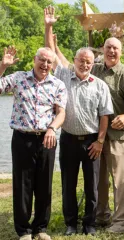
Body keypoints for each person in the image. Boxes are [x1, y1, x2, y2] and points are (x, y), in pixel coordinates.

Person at [47, 6, 124, 233]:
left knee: (120, 180)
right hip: (95, 135)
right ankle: (101, 217)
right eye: (108, 47)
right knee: (99, 182)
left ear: (121, 52)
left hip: (117, 134)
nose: (112, 51)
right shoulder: (94, 68)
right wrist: (55, 43)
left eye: (116, 48)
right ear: (103, 49)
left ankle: (120, 222)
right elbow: (65, 64)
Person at [44, 6, 114, 235]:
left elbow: (105, 115)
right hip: (68, 140)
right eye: (81, 60)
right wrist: (49, 26)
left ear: (93, 63)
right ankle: (71, 224)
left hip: (92, 141)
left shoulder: (100, 85)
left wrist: (100, 141)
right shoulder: (64, 76)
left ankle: (90, 224)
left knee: (91, 187)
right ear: (74, 61)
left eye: (88, 61)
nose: (84, 64)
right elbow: (51, 54)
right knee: (68, 186)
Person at [0, 46, 67, 240]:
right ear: (34, 59)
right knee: (22, 185)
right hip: (22, 138)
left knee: (44, 184)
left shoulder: (57, 84)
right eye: (42, 60)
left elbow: (61, 112)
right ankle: (23, 230)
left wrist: (52, 128)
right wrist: (3, 65)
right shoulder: (19, 78)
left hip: (47, 138)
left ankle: (41, 228)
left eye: (49, 62)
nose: (45, 65)